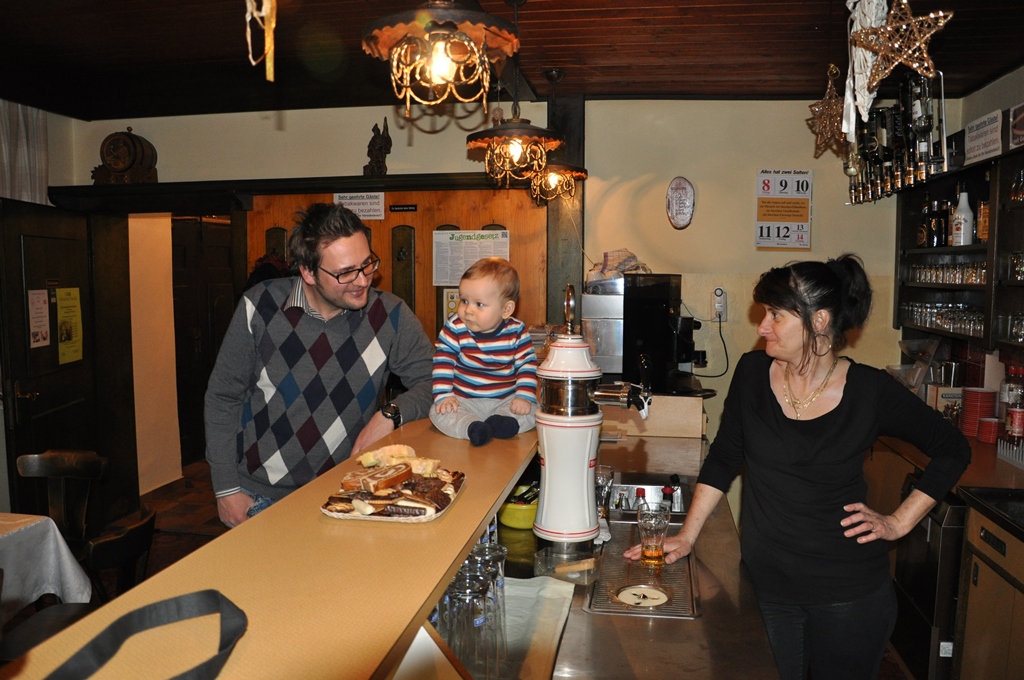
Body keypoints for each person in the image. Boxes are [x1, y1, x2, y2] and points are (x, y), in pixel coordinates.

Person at [625, 254, 971, 680]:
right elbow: (724, 457)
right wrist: (686, 536)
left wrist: (899, 522)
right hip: (764, 590)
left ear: (818, 320)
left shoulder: (870, 390)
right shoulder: (752, 373)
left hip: (849, 599)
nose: (762, 327)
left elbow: (953, 449)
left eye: (775, 315)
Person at [205, 202, 434, 528]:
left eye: (367, 264)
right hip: (259, 497)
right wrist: (226, 488)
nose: (362, 280)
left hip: (346, 496)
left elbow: (437, 382)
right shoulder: (260, 305)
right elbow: (223, 397)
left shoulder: (390, 315)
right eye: (345, 272)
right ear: (308, 272)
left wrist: (390, 415)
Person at [430, 257, 538, 447]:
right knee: (438, 412)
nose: (468, 310)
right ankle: (471, 427)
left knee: (533, 411)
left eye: (479, 304)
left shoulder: (517, 332)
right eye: (464, 301)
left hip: (505, 400)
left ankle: (499, 422)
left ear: (506, 309)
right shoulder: (455, 327)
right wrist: (444, 396)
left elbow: (527, 366)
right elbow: (443, 362)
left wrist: (523, 396)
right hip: (464, 401)